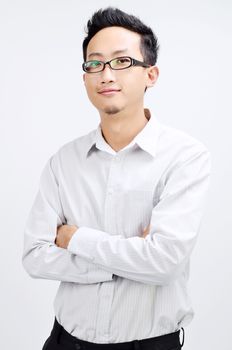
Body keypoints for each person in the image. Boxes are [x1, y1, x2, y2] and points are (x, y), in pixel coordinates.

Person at [22, 7, 211, 350]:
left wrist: (75, 238)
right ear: (85, 78)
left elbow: (164, 263)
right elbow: (35, 256)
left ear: (151, 75)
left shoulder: (185, 157)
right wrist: (132, 260)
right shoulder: (63, 162)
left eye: (122, 61)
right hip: (66, 341)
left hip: (149, 344)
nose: (106, 74)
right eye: (95, 63)